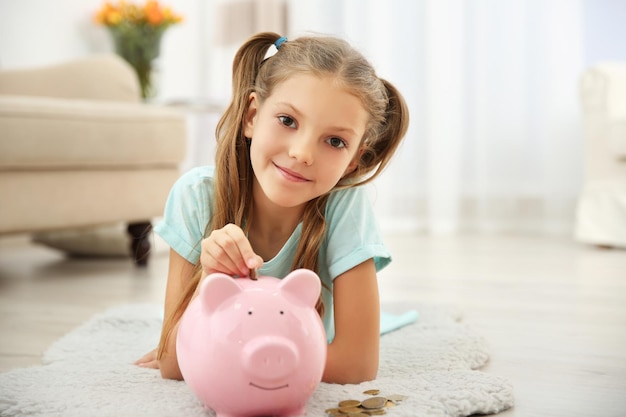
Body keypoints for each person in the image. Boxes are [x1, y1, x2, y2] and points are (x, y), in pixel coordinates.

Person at [135, 31, 409, 384]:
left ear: (354, 161)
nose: (302, 153)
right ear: (251, 115)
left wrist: (219, 357)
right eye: (288, 121)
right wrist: (211, 273)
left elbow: (357, 365)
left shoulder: (344, 206)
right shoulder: (196, 196)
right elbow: (173, 364)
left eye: (335, 141)